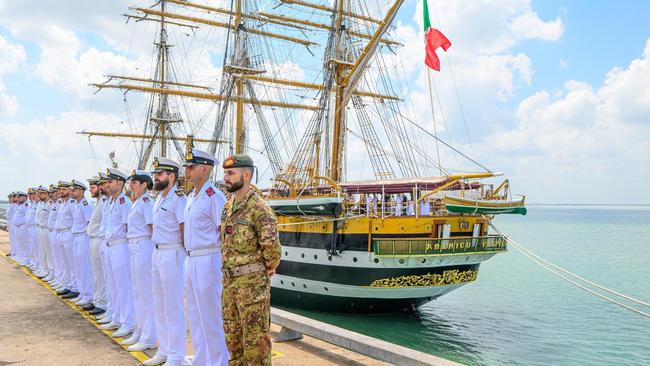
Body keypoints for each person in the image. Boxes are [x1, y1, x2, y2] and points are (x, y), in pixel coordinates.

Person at [221, 154, 282, 366]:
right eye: (225, 173)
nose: (225, 177)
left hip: (252, 287)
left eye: (230, 173)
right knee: (233, 342)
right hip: (230, 285)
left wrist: (265, 269)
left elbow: (272, 251)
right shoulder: (229, 207)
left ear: (246, 175)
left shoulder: (259, 209)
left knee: (256, 347)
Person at [183, 149, 229, 366]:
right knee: (195, 313)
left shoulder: (214, 196)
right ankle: (202, 359)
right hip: (191, 259)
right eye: (186, 167)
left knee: (211, 316)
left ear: (205, 168)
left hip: (208, 259)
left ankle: (219, 361)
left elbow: (223, 231)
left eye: (191, 167)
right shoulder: (192, 196)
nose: (186, 171)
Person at [144, 157, 187, 366]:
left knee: (172, 306)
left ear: (171, 176)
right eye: (155, 174)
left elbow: (184, 228)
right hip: (157, 253)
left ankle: (177, 356)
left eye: (160, 174)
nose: (156, 178)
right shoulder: (160, 197)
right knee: (159, 304)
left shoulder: (179, 199)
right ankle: (164, 350)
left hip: (173, 253)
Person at [122, 170, 157, 352]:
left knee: (145, 294)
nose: (132, 185)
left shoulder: (146, 202)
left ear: (144, 184)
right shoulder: (136, 202)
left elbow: (152, 228)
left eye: (135, 182)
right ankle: (140, 330)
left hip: (144, 246)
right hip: (134, 247)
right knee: (137, 292)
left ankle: (149, 336)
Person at [100, 168, 136, 339]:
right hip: (110, 246)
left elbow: (128, 227)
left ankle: (127, 322)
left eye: (111, 181)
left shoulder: (124, 203)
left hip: (121, 247)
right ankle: (116, 316)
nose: (108, 184)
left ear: (120, 184)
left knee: (123, 286)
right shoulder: (112, 202)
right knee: (113, 284)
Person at [84, 176, 108, 315]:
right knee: (96, 274)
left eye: (93, 187)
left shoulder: (104, 201)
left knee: (101, 274)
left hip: (100, 239)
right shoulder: (98, 202)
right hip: (94, 239)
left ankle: (102, 303)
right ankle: (97, 300)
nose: (90, 190)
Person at [70, 180, 94, 306]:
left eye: (74, 190)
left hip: (83, 237)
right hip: (76, 237)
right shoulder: (76, 204)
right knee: (78, 267)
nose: (71, 192)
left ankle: (88, 294)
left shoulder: (86, 204)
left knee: (84, 268)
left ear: (80, 191)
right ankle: (82, 292)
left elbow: (90, 223)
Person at [55, 181, 79, 299]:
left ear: (70, 191)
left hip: (68, 233)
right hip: (60, 234)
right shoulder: (61, 204)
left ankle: (75, 287)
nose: (61, 191)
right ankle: (68, 285)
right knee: (65, 262)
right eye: (60, 190)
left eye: (64, 189)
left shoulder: (72, 204)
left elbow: (77, 220)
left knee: (72, 262)